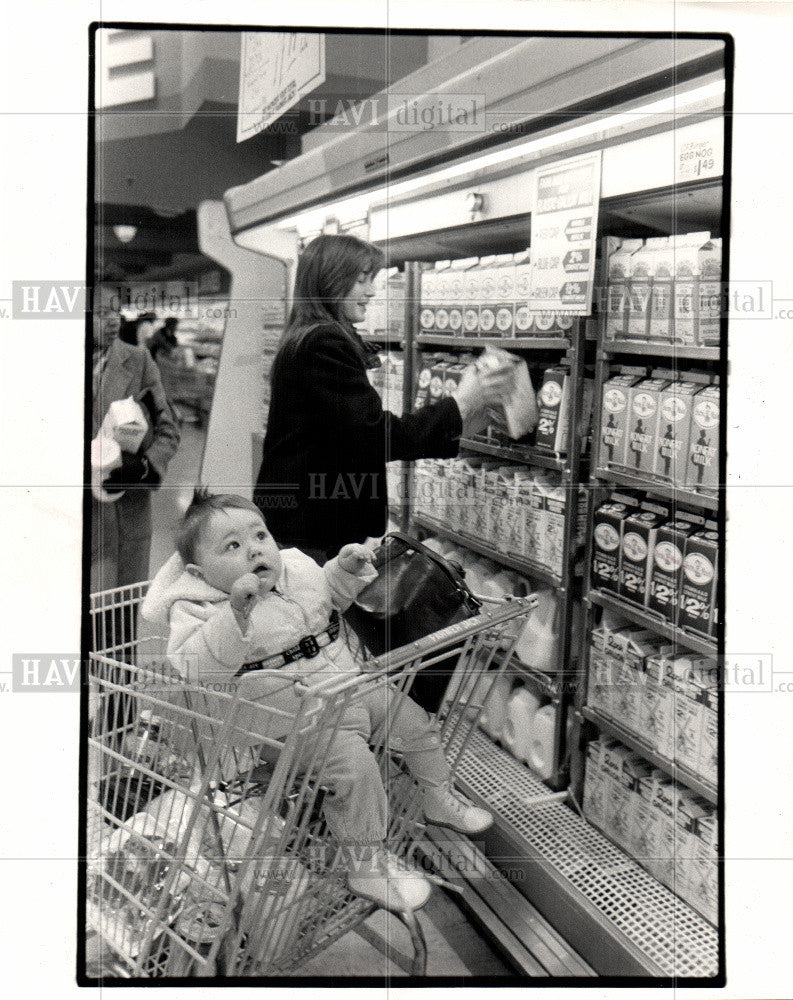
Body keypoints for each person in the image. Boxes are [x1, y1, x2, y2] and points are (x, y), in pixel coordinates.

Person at [141, 490, 493, 912]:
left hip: (349, 687)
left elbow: (329, 599)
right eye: (232, 547)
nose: (254, 549)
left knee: (414, 721)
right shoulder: (198, 607)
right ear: (199, 572)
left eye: (259, 535)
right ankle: (365, 865)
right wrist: (233, 617)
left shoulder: (297, 568)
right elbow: (200, 668)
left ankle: (439, 796)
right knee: (356, 771)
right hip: (292, 722)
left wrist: (344, 571)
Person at [255, 234, 514, 564]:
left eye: (372, 279)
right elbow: (373, 436)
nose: (372, 291)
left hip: (304, 524)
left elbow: (347, 436)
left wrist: (458, 422)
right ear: (329, 281)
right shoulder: (323, 341)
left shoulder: (306, 336)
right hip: (312, 531)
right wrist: (461, 401)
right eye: (361, 280)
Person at [91, 283, 180, 591]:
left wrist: (144, 467)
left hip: (126, 513)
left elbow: (169, 429)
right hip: (75, 517)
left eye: (116, 310)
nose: (113, 320)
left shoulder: (139, 361)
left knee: (118, 615)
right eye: (102, 312)